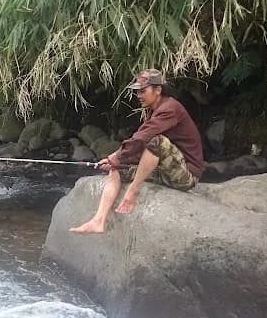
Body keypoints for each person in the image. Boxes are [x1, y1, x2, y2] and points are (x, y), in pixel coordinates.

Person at [70, 69, 204, 234]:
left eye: (143, 91)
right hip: (166, 170)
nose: (139, 95)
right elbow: (139, 142)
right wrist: (116, 161)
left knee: (157, 141)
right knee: (117, 170)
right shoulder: (155, 108)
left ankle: (132, 192)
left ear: (158, 90)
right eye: (137, 92)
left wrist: (117, 156)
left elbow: (143, 139)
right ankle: (99, 221)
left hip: (186, 176)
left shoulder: (170, 109)